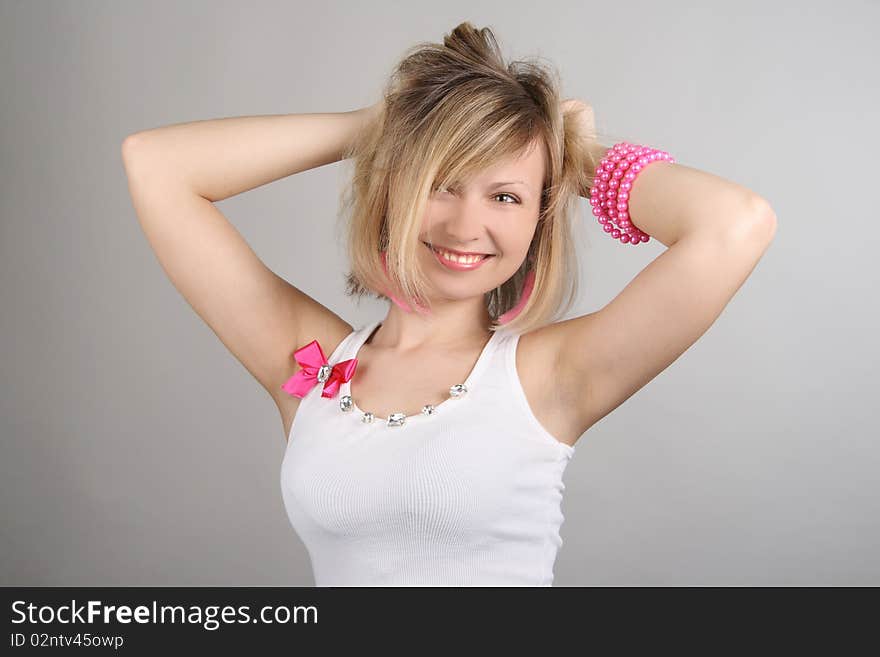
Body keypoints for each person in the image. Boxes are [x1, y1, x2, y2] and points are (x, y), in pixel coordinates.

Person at [121, 22, 776, 586]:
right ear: (394, 189)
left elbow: (736, 223)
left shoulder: (551, 376)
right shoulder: (311, 363)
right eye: (440, 183)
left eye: (506, 196)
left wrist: (578, 157)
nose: (467, 225)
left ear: (539, 216)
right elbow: (155, 165)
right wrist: (381, 127)